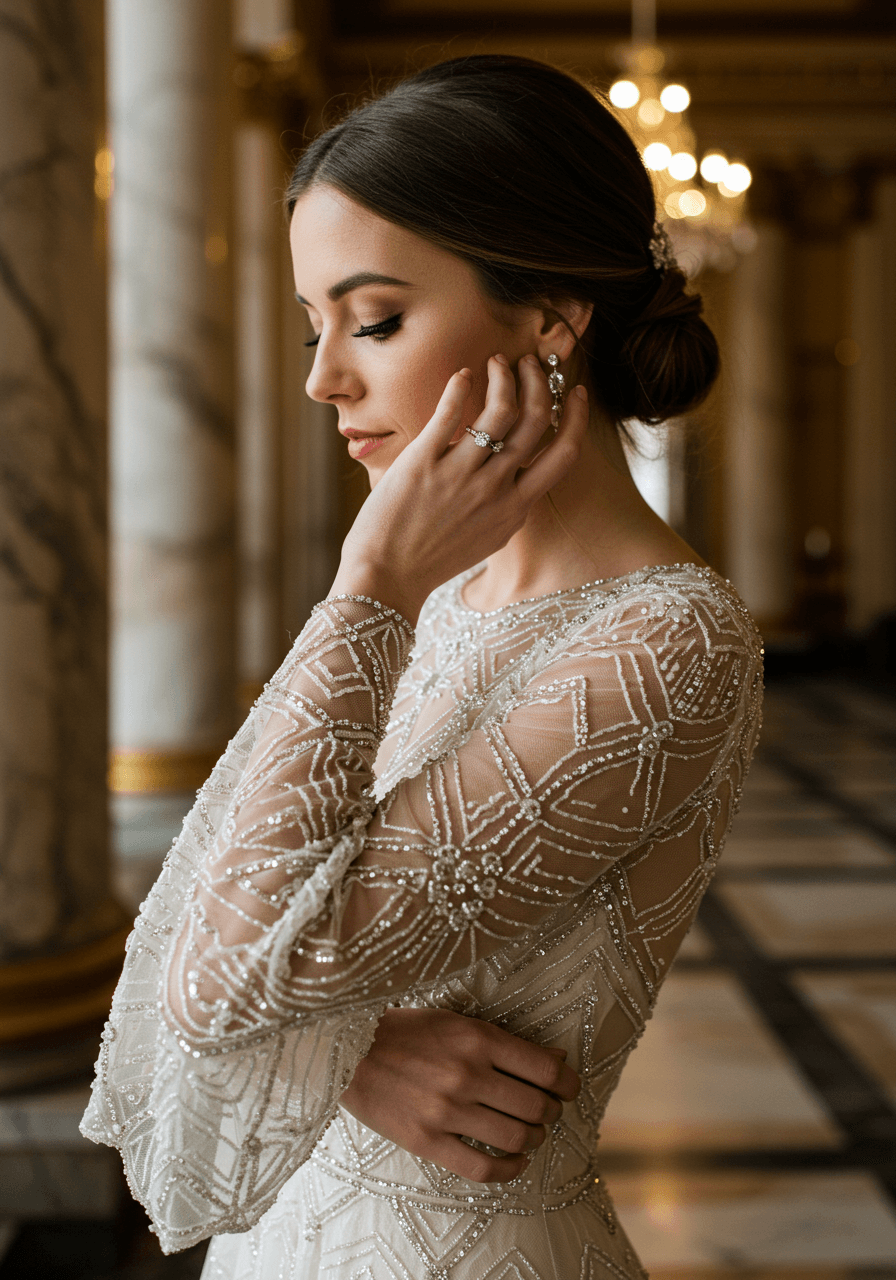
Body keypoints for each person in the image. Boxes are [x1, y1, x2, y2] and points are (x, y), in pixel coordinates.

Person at [82, 54, 764, 1279]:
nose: (321, 377)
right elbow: (208, 898)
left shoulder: (667, 642)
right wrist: (356, 1049)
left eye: (375, 317)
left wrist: (368, 584)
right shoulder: (436, 592)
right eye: (312, 325)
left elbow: (231, 979)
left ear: (551, 321)